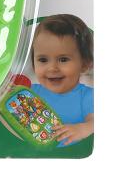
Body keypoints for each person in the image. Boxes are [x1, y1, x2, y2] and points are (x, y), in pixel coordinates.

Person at [31, 14, 94, 145]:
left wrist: (82, 129)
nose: (52, 68)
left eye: (63, 59)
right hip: (30, 152)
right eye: (43, 60)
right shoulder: (30, 92)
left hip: (74, 152)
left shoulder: (87, 96)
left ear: (84, 64)